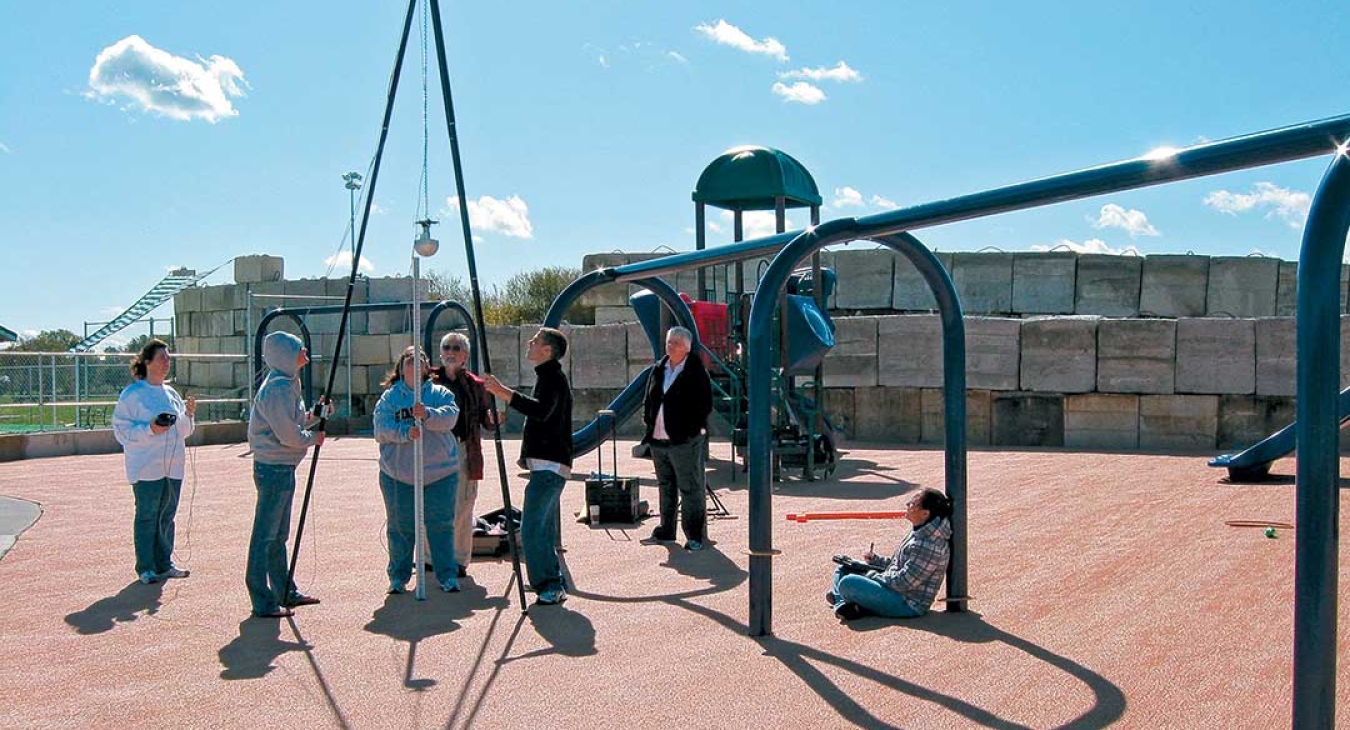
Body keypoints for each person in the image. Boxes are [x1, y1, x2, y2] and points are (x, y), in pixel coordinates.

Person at [482, 327, 573, 606]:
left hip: (549, 466)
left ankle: (549, 584)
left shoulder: (554, 379)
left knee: (533, 528)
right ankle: (550, 580)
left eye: (536, 341)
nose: (530, 343)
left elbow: (541, 410)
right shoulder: (547, 377)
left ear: (547, 350)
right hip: (545, 465)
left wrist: (502, 391)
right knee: (540, 528)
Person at [246, 331, 327, 619]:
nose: (305, 353)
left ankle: (283, 591)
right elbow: (289, 434)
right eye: (298, 350)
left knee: (277, 534)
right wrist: (311, 438)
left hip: (282, 468)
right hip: (274, 469)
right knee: (266, 535)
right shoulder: (278, 389)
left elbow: (294, 422)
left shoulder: (287, 383)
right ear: (285, 355)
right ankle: (262, 597)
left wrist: (316, 415)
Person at [375, 346, 462, 594]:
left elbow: (450, 417)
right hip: (398, 475)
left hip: (439, 474)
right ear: (401, 368)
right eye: (408, 360)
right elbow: (380, 428)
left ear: (426, 368)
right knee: (400, 527)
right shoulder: (390, 398)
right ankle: (398, 577)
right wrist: (404, 433)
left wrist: (428, 415)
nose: (414, 363)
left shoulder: (440, 393)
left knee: (441, 525)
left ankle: (447, 575)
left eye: (420, 359)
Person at [112, 338, 196, 585]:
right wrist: (150, 428)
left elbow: (183, 430)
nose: (167, 362)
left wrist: (188, 415)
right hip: (146, 467)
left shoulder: (171, 394)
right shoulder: (133, 395)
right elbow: (121, 431)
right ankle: (146, 567)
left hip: (173, 466)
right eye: (163, 357)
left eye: (169, 358)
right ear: (147, 362)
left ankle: (165, 563)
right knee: (147, 516)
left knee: (167, 516)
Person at [430, 332, 499, 579]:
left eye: (456, 348)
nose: (450, 351)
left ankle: (458, 558)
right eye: (446, 347)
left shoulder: (476, 385)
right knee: (432, 503)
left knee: (462, 504)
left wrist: (493, 420)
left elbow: (486, 419)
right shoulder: (428, 379)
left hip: (462, 447)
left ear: (465, 356)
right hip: (433, 447)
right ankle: (430, 557)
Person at [827, 488, 954, 621]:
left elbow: (904, 582)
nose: (907, 505)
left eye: (913, 503)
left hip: (907, 603)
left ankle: (841, 602)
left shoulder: (929, 545)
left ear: (925, 513)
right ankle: (845, 604)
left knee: (848, 582)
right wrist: (876, 561)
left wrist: (872, 575)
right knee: (842, 570)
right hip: (893, 588)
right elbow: (897, 564)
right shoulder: (922, 530)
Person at [639, 326, 713, 551]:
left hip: (683, 441)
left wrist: (690, 431)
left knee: (690, 488)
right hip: (658, 440)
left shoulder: (695, 372)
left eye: (676, 343)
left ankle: (694, 535)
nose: (670, 346)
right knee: (665, 485)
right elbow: (649, 399)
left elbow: (704, 405)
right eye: (669, 342)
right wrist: (649, 423)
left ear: (687, 348)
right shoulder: (659, 369)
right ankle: (666, 529)